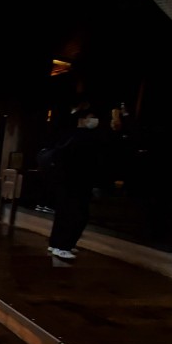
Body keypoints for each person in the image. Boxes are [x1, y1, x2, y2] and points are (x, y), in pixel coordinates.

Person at [45, 106, 105, 260]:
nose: (93, 121)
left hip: (65, 182)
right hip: (78, 183)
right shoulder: (86, 137)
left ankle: (56, 244)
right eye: (90, 117)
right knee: (77, 216)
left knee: (63, 214)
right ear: (82, 119)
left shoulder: (68, 135)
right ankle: (64, 246)